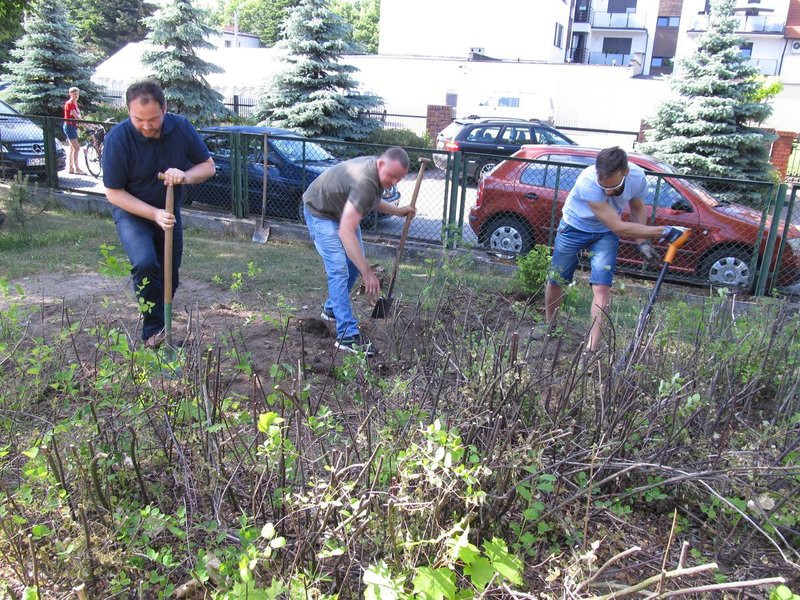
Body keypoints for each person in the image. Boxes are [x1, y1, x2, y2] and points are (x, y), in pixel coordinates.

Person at [102, 80, 215, 348]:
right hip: (133, 212)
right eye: (138, 119)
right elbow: (113, 192)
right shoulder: (119, 139)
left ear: (164, 108)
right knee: (144, 263)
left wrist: (185, 176)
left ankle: (161, 326)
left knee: (169, 274)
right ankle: (154, 334)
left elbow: (208, 167)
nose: (146, 126)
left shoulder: (181, 128)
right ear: (129, 112)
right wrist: (153, 214)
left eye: (153, 119)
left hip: (168, 213)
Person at [544, 146, 686, 353]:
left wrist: (642, 242)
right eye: (604, 188)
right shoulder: (588, 182)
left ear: (625, 172)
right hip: (574, 227)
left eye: (613, 187)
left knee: (602, 287)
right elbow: (618, 226)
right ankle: (550, 326)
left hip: (605, 233)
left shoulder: (637, 177)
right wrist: (664, 231)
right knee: (557, 280)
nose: (608, 192)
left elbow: (637, 208)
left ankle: (591, 349)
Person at [303, 146, 416, 356]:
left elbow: (370, 200)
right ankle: (346, 335)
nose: (393, 183)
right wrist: (367, 272)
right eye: (391, 176)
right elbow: (346, 231)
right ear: (381, 164)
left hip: (340, 213)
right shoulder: (366, 179)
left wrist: (398, 211)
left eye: (398, 179)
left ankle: (331, 309)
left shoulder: (377, 172)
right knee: (339, 270)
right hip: (320, 212)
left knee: (353, 264)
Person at [63, 87, 86, 175]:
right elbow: (76, 117)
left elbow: (78, 117)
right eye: (74, 94)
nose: (76, 96)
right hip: (69, 126)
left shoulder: (75, 103)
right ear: (70, 94)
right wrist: (84, 125)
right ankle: (77, 168)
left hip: (73, 126)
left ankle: (71, 168)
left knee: (73, 149)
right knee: (77, 148)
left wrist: (85, 124)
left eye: (77, 94)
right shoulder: (70, 103)